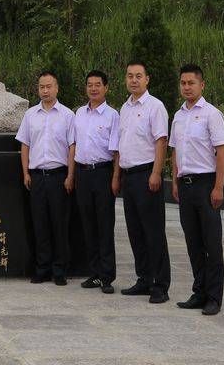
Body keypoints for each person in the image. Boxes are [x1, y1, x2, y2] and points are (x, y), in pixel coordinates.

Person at [170, 63, 224, 316]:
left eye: (191, 83)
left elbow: (221, 152)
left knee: (211, 244)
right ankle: (199, 291)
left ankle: (214, 297)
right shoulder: (178, 115)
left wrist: (218, 187)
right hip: (185, 185)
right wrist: (174, 181)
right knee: (193, 243)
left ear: (202, 85)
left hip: (206, 185)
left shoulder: (211, 114)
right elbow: (175, 152)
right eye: (183, 83)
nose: (186, 87)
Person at [117, 61, 171, 303]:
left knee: (153, 231)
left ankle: (161, 285)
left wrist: (157, 173)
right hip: (128, 175)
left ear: (147, 79)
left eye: (139, 76)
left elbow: (161, 141)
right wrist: (118, 175)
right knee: (135, 231)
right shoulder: (125, 108)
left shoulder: (155, 107)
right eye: (130, 76)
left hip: (147, 174)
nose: (134, 80)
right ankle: (144, 279)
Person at [16, 72, 76, 285]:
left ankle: (60, 270)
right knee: (39, 224)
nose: (45, 90)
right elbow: (25, 145)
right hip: (37, 177)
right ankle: (42, 268)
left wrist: (70, 175)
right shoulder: (30, 115)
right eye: (41, 87)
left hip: (59, 176)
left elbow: (72, 147)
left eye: (49, 86)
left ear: (57, 88)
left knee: (59, 224)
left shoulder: (68, 115)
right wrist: (25, 173)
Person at [73, 70, 120, 293]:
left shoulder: (112, 115)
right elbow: (72, 146)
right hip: (82, 173)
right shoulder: (79, 114)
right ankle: (94, 273)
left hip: (102, 173)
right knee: (87, 225)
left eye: (98, 85)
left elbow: (116, 152)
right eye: (90, 85)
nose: (93, 88)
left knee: (104, 225)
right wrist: (72, 176)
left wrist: (115, 178)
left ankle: (107, 275)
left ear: (106, 88)